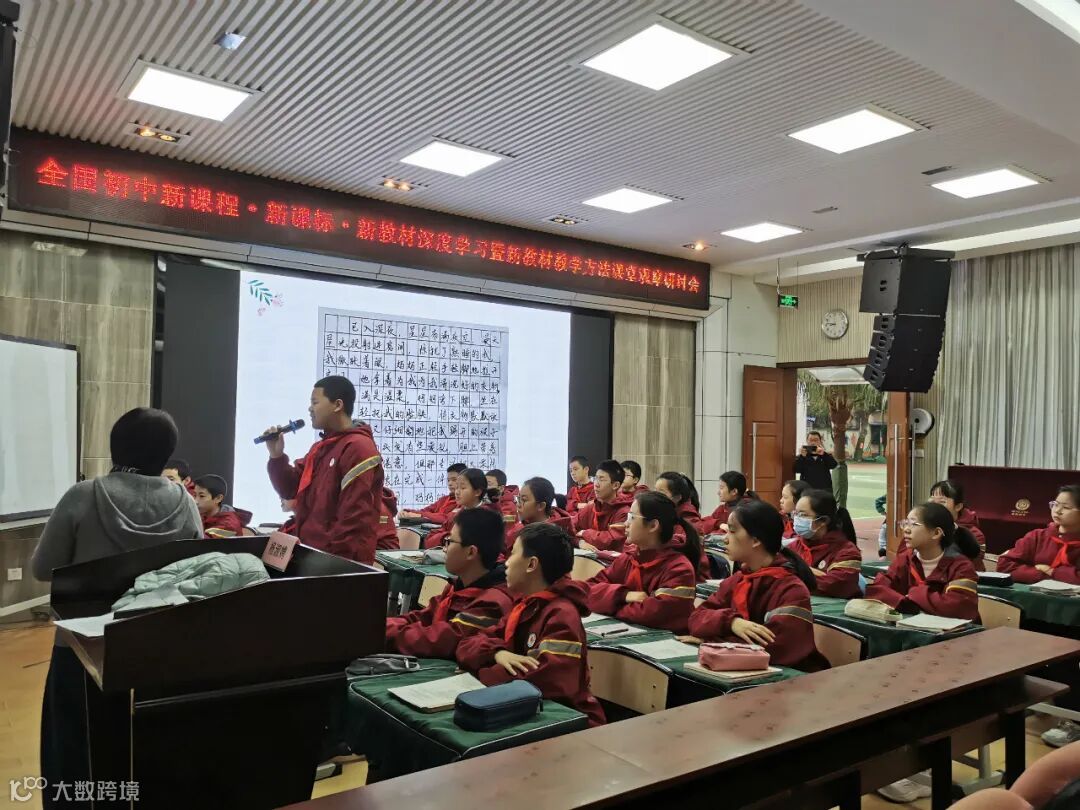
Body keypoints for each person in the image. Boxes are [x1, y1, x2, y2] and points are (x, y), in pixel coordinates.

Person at [33, 407, 202, 803]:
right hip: (156, 645)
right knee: (145, 746)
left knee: (76, 750)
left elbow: (43, 568)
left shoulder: (82, 495)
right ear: (167, 452)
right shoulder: (185, 502)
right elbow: (192, 570)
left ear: (116, 445)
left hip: (81, 648)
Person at [456, 522, 606, 726]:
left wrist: (480, 671)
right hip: (523, 712)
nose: (506, 563)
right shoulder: (525, 606)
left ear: (531, 565)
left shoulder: (561, 614)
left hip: (570, 721)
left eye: (513, 554)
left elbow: (545, 682)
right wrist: (497, 653)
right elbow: (467, 644)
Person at [686, 500, 829, 672]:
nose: (725, 539)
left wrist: (712, 643)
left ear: (755, 540)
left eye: (732, 531)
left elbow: (771, 646)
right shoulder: (738, 580)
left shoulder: (791, 589)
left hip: (792, 679)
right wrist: (731, 622)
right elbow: (695, 619)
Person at [264, 375, 383, 564]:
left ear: (337, 405)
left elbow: (354, 518)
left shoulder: (359, 448)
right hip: (312, 554)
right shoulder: (321, 448)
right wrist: (276, 456)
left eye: (315, 402)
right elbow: (290, 489)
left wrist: (332, 565)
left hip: (336, 562)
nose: (310, 409)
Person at [385, 509, 514, 658]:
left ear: (471, 552)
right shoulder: (458, 586)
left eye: (449, 542)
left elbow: (440, 640)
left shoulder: (492, 603)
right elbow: (424, 616)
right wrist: (383, 626)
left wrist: (385, 632)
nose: (444, 549)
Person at [586, 492, 698, 633]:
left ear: (653, 525)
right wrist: (623, 595)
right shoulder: (628, 559)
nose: (625, 524)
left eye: (631, 517)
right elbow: (587, 591)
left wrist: (609, 604)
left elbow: (652, 615)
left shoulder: (679, 568)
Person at [866, 502, 980, 620]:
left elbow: (957, 608)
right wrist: (909, 604)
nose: (906, 530)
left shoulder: (961, 567)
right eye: (905, 523)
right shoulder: (906, 559)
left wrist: (914, 593)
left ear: (936, 533)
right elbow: (877, 590)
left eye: (914, 524)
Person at [997, 485, 1080, 585]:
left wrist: (1052, 571)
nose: (1057, 511)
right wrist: (1042, 575)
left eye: (1066, 507)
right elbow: (1004, 566)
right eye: (1055, 504)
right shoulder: (1038, 536)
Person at [791, 489, 862, 598]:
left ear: (823, 521)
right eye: (795, 513)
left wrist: (795, 572)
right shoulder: (794, 546)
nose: (797, 519)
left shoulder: (847, 551)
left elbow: (832, 585)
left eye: (803, 515)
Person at [423, 468, 501, 548]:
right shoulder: (456, 515)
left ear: (477, 492)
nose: (457, 492)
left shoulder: (488, 517)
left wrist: (454, 540)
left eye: (462, 488)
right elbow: (429, 540)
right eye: (457, 487)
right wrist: (446, 538)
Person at [654, 471, 710, 580]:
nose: (655, 496)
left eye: (661, 493)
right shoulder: (664, 514)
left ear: (677, 497)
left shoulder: (690, 521)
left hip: (688, 577)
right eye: (655, 491)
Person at [503, 477, 574, 557]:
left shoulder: (551, 535)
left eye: (524, 500)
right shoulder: (522, 525)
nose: (518, 505)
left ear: (541, 506)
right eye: (518, 498)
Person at [573, 459, 633, 552]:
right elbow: (570, 528)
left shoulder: (623, 512)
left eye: (601, 479)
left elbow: (611, 540)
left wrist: (585, 533)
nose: (596, 484)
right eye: (595, 478)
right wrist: (579, 542)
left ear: (615, 485)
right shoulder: (591, 507)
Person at [929, 479, 987, 570]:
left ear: (958, 506)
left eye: (942, 502)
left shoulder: (974, 534)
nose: (935, 506)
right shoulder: (924, 527)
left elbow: (968, 567)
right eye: (932, 501)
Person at [398, 462, 466, 523]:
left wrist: (420, 515)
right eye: (448, 480)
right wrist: (407, 511)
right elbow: (425, 510)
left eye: (454, 480)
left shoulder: (465, 502)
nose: (450, 483)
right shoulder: (444, 499)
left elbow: (446, 518)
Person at [698, 470, 755, 535]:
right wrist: (719, 524)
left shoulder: (748, 510)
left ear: (734, 491)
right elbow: (702, 524)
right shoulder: (721, 509)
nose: (718, 492)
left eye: (721, 488)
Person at [778, 479, 813, 565]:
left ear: (799, 500)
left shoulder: (807, 526)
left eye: (785, 497)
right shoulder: (780, 518)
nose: (781, 500)